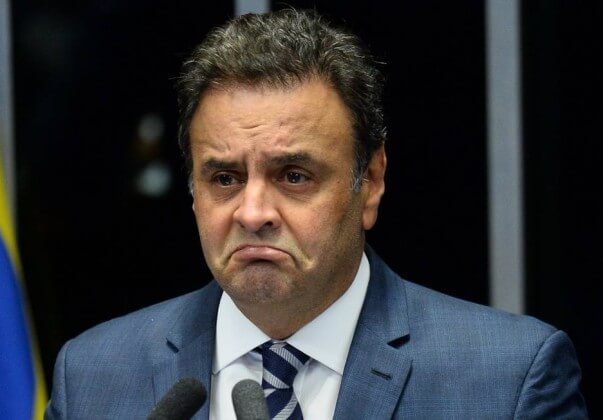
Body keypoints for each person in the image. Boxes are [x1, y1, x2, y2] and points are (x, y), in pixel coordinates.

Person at [45, 9, 587, 419]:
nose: (253, 212)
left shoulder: (507, 380)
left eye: (294, 176)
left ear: (370, 182)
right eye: (225, 179)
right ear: (192, 190)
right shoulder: (93, 376)